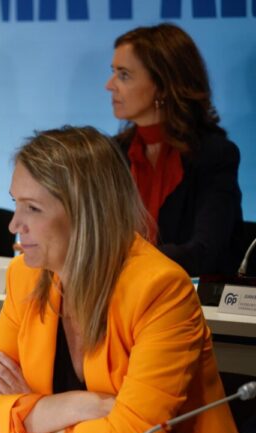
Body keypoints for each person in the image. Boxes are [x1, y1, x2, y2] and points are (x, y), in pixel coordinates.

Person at [0, 126, 238, 433]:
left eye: (32, 208)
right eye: (15, 203)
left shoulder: (160, 288)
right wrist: (76, 405)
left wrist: (39, 424)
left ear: (85, 214)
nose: (14, 224)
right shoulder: (25, 277)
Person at [106, 23, 243, 276]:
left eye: (123, 75)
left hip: (184, 301)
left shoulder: (214, 155)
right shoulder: (111, 154)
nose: (109, 85)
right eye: (113, 72)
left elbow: (204, 253)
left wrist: (118, 258)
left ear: (163, 84)